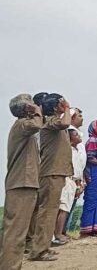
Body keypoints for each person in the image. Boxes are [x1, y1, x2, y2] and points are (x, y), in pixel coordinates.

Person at [0, 94, 44, 268]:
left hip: (24, 183)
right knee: (16, 232)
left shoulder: (22, 127)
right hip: (21, 183)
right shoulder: (22, 125)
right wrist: (37, 112)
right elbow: (37, 125)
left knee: (16, 230)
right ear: (26, 109)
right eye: (31, 104)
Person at [29, 94, 73, 262]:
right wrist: (67, 108)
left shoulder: (52, 121)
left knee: (50, 211)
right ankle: (39, 250)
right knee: (47, 212)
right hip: (51, 173)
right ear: (56, 107)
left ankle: (42, 247)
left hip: (56, 172)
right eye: (61, 102)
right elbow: (66, 123)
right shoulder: (51, 121)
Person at [53, 128, 85, 245]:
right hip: (68, 180)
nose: (79, 136)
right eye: (76, 134)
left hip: (74, 181)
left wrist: (80, 183)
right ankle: (57, 234)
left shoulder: (76, 150)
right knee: (63, 208)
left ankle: (59, 232)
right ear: (71, 139)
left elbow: (78, 168)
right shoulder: (68, 151)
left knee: (66, 208)